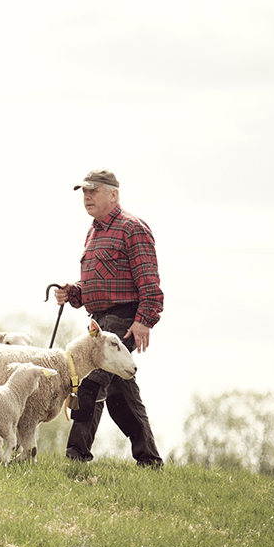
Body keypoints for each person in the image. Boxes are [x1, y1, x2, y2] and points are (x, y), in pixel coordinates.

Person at [53, 168, 164, 467]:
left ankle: (76, 456)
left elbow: (149, 282)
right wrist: (72, 292)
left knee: (90, 381)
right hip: (100, 322)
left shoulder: (133, 228)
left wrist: (144, 320)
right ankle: (150, 460)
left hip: (124, 321)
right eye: (84, 192)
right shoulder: (94, 231)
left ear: (113, 194)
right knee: (121, 393)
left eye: (94, 190)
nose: (87, 196)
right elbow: (94, 286)